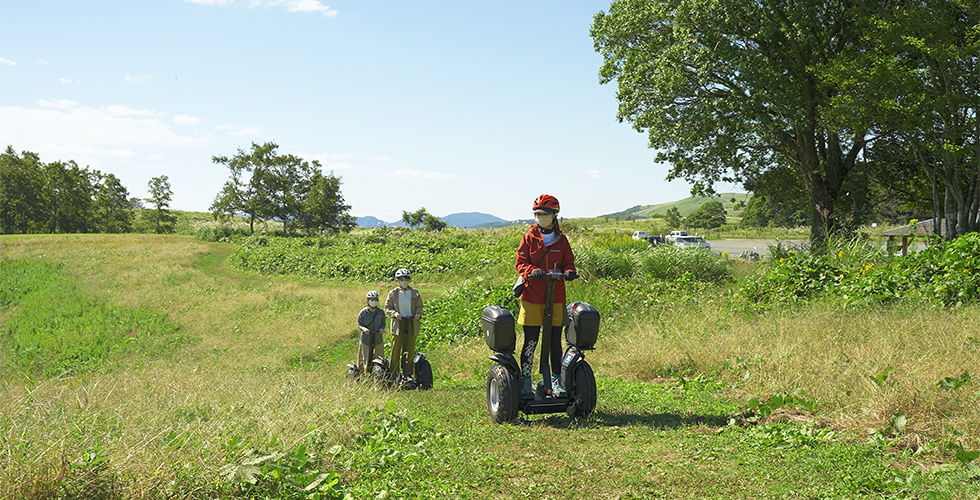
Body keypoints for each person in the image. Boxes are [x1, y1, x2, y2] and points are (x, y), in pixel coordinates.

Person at [515, 194, 577, 398]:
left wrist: (569, 271)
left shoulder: (562, 240)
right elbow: (520, 263)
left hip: (555, 296)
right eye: (537, 214)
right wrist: (532, 270)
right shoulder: (528, 238)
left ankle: (556, 380)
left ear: (554, 215)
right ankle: (526, 380)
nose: (539, 217)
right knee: (531, 340)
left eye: (544, 214)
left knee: (554, 341)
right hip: (532, 295)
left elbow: (568, 261)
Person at [384, 268, 423, 385]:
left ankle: (408, 374)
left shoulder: (415, 293)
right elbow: (387, 308)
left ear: (409, 279)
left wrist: (418, 314)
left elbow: (419, 306)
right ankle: (393, 375)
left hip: (411, 322)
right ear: (397, 280)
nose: (404, 280)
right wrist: (395, 314)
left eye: (406, 278)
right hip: (398, 323)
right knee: (396, 349)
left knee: (410, 349)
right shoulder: (393, 293)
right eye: (401, 279)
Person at [355, 290, 386, 375]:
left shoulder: (380, 312)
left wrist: (382, 328)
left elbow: (383, 322)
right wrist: (364, 329)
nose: (374, 301)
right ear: (368, 300)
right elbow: (359, 324)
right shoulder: (363, 312)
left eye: (375, 299)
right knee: (364, 356)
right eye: (371, 299)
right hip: (366, 337)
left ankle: (379, 372)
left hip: (377, 336)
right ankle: (363, 373)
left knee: (379, 354)